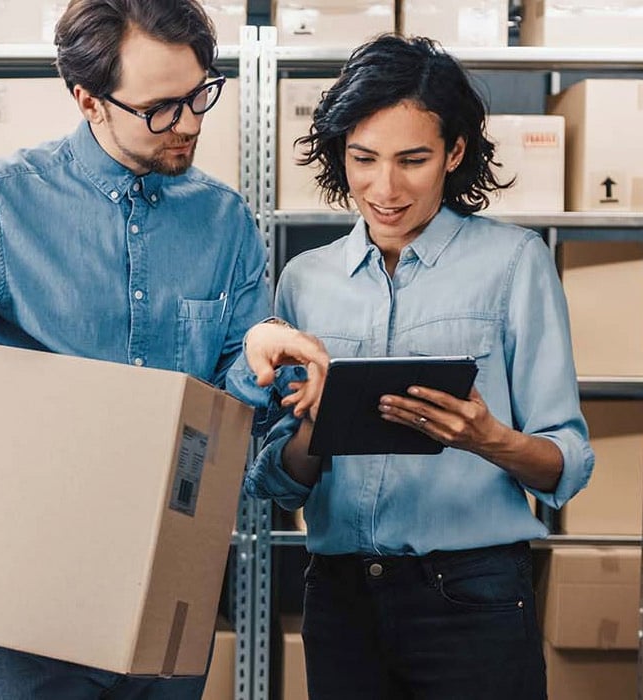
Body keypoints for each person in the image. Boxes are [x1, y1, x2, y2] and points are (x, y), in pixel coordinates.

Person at [0, 0, 331, 697]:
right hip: (21, 598)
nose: (188, 124)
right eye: (160, 108)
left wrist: (257, 363)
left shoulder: (227, 222)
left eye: (199, 94)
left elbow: (228, 419)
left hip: (168, 588)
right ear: (87, 99)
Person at [243, 34, 595, 699]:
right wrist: (316, 426)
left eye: (413, 159)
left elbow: (567, 463)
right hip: (341, 598)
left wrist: (488, 439)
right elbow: (277, 483)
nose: (385, 187)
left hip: (472, 594)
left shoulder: (515, 264)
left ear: (454, 153)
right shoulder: (304, 281)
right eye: (363, 158)